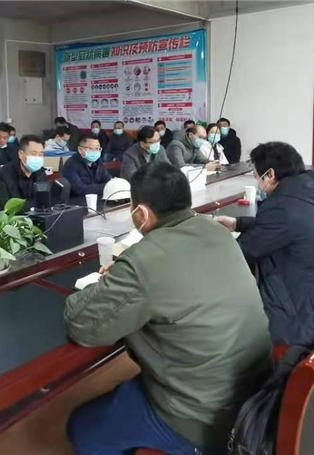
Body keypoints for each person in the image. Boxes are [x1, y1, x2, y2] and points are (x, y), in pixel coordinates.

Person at [65, 162, 272, 454]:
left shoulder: (144, 259)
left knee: (82, 428)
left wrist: (110, 281)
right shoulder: (216, 232)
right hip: (254, 392)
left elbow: (81, 325)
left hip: (200, 417)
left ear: (140, 213)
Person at [215, 142, 314, 348]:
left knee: (225, 306)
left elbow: (240, 255)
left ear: (270, 174)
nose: (257, 181)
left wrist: (207, 244)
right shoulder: (309, 192)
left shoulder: (281, 205)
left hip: (305, 316)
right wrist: (238, 223)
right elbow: (293, 226)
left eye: (256, 175)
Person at [0, 135, 48, 211]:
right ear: (21, 154)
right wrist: (34, 206)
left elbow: (45, 200)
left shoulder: (40, 171)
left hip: (38, 215)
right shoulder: (3, 174)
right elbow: (5, 206)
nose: (37, 157)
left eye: (41, 154)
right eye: (33, 154)